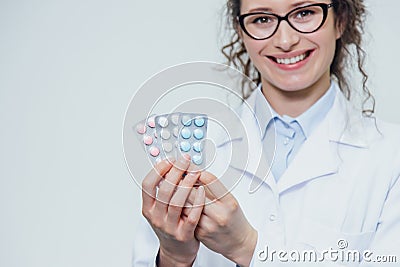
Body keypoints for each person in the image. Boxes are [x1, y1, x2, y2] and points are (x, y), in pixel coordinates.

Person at [133, 0, 400, 266]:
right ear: (240, 31)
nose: (285, 40)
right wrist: (174, 258)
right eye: (262, 19)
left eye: (305, 13)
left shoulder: (391, 156)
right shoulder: (190, 147)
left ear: (340, 20)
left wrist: (247, 248)